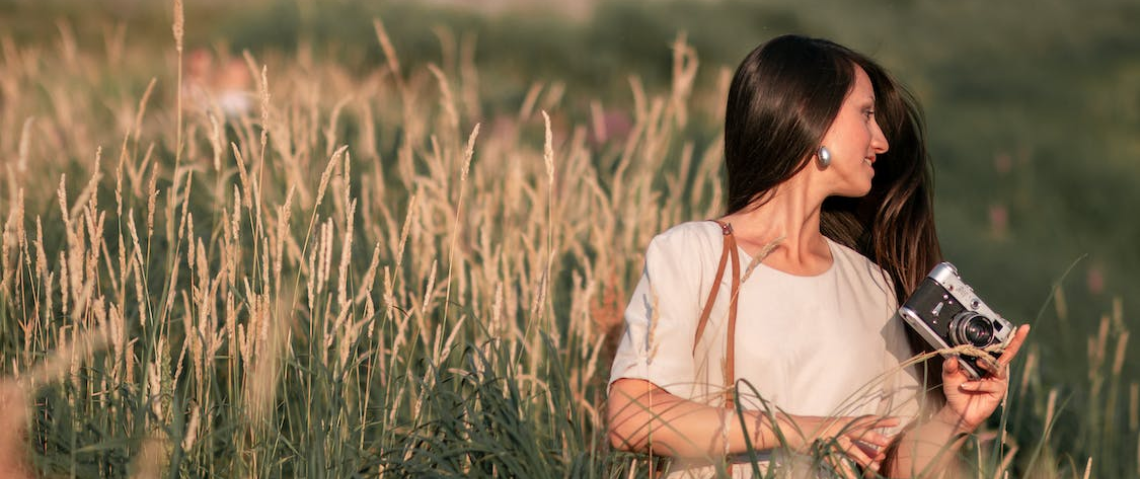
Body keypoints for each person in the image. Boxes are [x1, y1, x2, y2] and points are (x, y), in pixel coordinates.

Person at [606, 35, 1030, 478]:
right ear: (813, 116)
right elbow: (632, 417)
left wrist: (954, 419)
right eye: (866, 115)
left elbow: (894, 465)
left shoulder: (871, 284)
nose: (881, 141)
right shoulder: (694, 252)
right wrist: (805, 429)